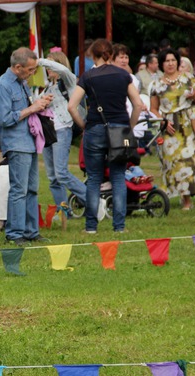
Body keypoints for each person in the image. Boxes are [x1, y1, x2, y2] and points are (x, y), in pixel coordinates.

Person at [68, 39, 144, 234]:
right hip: (119, 129)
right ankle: (119, 227)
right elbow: (137, 104)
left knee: (94, 178)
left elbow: (71, 106)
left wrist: (83, 124)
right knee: (118, 177)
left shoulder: (88, 76)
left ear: (93, 55)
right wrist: (130, 126)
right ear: (111, 54)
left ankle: (91, 227)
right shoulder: (123, 75)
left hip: (95, 128)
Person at [0, 47, 53, 246]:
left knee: (32, 188)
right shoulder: (1, 86)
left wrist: (40, 103)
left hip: (30, 141)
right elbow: (5, 119)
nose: (33, 73)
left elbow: (26, 110)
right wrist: (32, 108)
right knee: (19, 190)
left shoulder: (22, 83)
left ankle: (31, 231)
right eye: (31, 69)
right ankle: (15, 234)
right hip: (16, 143)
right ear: (18, 67)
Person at [149, 48, 195, 210]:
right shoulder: (156, 84)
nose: (170, 64)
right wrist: (163, 120)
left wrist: (193, 96)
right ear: (161, 64)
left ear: (177, 62)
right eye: (167, 61)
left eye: (173, 60)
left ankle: (188, 199)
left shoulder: (188, 78)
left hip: (189, 124)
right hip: (169, 125)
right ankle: (177, 195)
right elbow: (153, 108)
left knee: (190, 161)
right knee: (173, 162)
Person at [38, 51, 87, 207]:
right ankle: (63, 211)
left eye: (51, 64)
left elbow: (64, 70)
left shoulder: (69, 80)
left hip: (63, 129)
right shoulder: (46, 88)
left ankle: (93, 201)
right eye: (47, 65)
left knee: (61, 173)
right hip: (48, 134)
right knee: (53, 177)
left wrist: (40, 61)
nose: (48, 68)